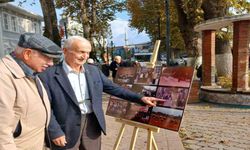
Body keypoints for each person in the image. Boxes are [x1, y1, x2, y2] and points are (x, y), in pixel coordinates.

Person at [38, 36, 163, 150]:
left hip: (92, 124)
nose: (85, 56)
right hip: (65, 127)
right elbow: (45, 108)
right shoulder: (48, 75)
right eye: (81, 52)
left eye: (87, 52)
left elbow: (115, 89)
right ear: (65, 51)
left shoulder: (93, 71)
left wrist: (140, 98)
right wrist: (54, 131)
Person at [0, 32, 62, 150]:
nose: (51, 63)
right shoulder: (3, 77)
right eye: (47, 57)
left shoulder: (30, 70)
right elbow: (2, 133)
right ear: (27, 54)